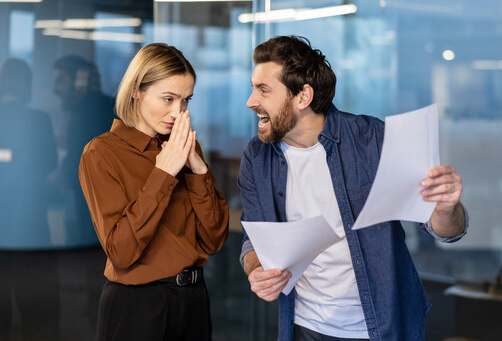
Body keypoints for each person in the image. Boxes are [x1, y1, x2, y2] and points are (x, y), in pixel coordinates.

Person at [238, 36, 468, 341]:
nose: (250, 101)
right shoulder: (257, 156)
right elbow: (254, 240)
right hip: (303, 326)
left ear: (303, 96)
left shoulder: (372, 140)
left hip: (380, 328)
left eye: (263, 90)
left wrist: (446, 208)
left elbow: (443, 230)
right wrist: (255, 270)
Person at [79, 43, 229, 341]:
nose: (178, 111)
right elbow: (121, 252)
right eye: (168, 98)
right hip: (137, 305)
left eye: (185, 100)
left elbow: (213, 240)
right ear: (136, 90)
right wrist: (163, 174)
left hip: (194, 299)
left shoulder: (185, 147)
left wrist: (199, 170)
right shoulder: (101, 153)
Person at [0, 58, 60, 339]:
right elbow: (49, 164)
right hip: (31, 227)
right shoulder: (39, 120)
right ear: (25, 84)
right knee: (38, 318)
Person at [53, 55, 115, 243]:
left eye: (60, 81)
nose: (55, 89)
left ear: (80, 82)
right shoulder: (110, 107)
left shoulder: (81, 114)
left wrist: (50, 179)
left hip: (87, 214)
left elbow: (75, 165)